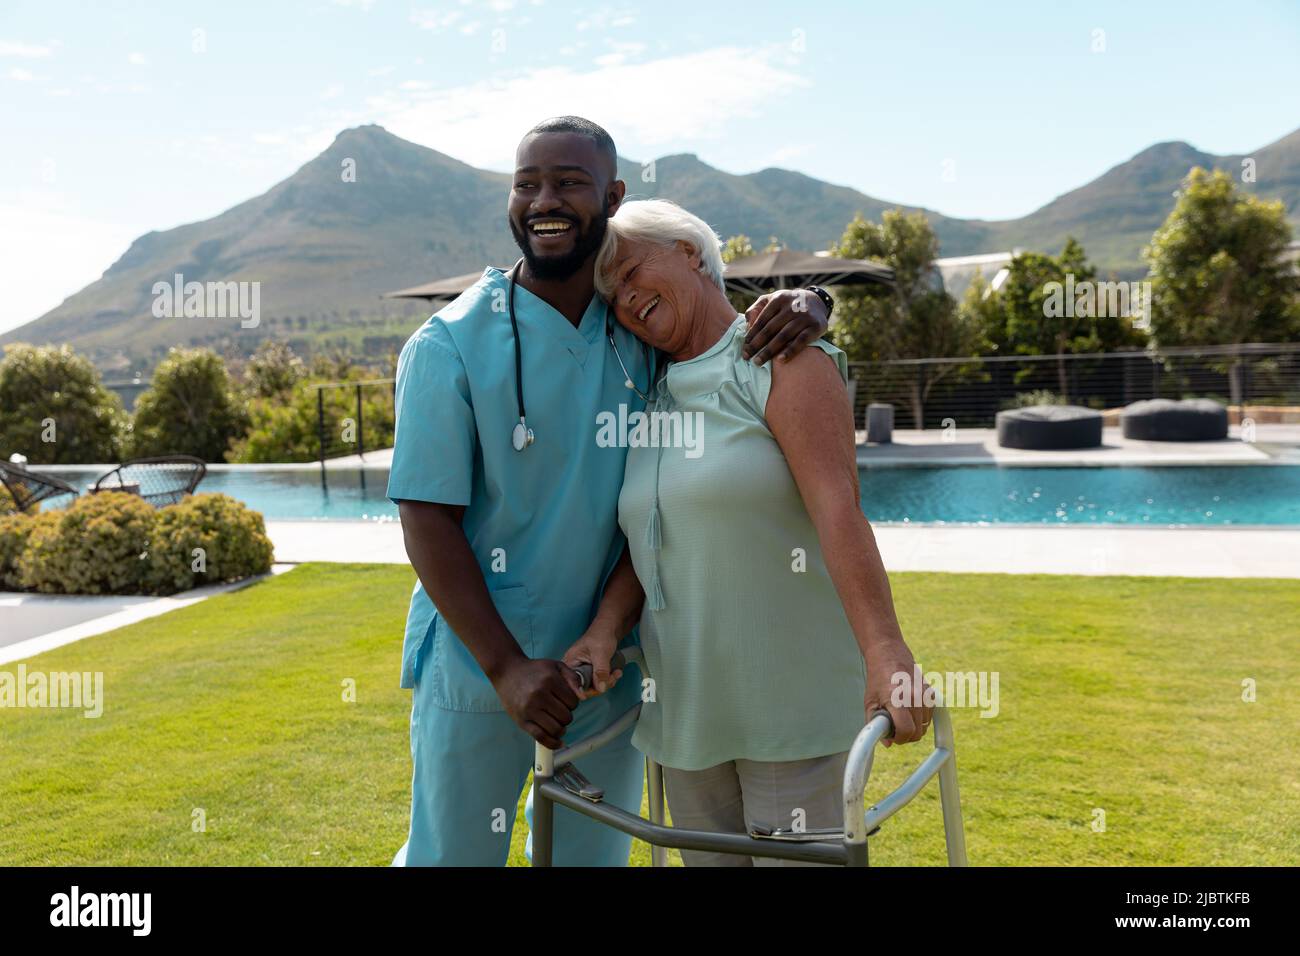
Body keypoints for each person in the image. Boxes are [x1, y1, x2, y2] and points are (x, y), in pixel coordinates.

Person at [388, 118, 835, 866]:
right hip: (480, 661)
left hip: (605, 670)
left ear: (613, 196)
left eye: (567, 181)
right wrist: (505, 667)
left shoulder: (637, 327)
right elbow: (425, 518)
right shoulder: (448, 346)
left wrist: (814, 299)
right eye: (526, 182)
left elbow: (725, 335)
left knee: (589, 860)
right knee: (453, 857)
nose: (543, 200)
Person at [564, 199, 931, 866]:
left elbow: (838, 509)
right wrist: (604, 631)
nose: (624, 300)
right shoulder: (651, 392)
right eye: (611, 295)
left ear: (690, 252)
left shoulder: (782, 355)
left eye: (631, 270)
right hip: (685, 716)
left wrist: (887, 652)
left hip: (791, 707)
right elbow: (652, 535)